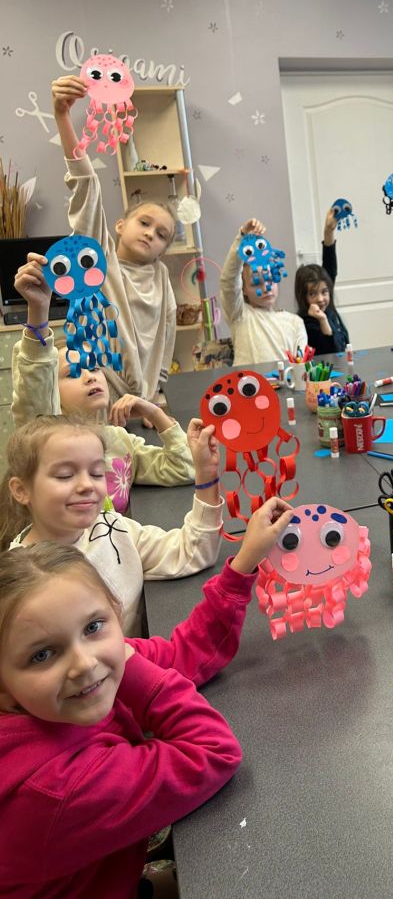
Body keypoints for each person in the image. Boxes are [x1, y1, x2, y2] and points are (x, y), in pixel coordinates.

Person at [0, 496, 295, 898]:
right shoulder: (58, 790)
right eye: (42, 655)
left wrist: (245, 562)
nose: (84, 664)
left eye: (93, 626)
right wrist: (130, 664)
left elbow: (184, 654)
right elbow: (213, 752)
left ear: (115, 611)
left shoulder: (68, 683)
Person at [0, 414, 224, 633]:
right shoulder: (19, 581)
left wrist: (206, 474)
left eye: (97, 473)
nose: (87, 485)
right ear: (21, 490)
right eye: (65, 475)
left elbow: (191, 551)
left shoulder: (112, 527)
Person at [11, 252, 193, 513]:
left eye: (94, 367)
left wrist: (155, 412)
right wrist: (39, 310)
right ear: (52, 391)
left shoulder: (119, 441)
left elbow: (185, 467)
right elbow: (35, 386)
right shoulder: (46, 441)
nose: (90, 376)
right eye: (73, 373)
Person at [51, 75, 178, 408]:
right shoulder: (99, 259)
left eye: (161, 235)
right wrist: (62, 115)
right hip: (100, 396)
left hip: (144, 402)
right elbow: (86, 187)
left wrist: (157, 392)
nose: (150, 233)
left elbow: (168, 332)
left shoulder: (161, 276)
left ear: (164, 250)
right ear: (120, 225)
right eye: (144, 223)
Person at [220, 217, 307, 367]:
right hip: (249, 382)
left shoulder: (295, 322)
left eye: (270, 280)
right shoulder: (239, 314)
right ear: (244, 290)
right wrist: (242, 237)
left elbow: (301, 366)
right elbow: (229, 280)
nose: (266, 288)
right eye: (256, 283)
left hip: (285, 381)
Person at [295, 207, 350, 355]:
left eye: (324, 292)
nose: (320, 299)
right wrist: (323, 320)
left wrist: (328, 231)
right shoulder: (307, 323)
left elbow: (330, 266)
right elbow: (332, 354)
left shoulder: (327, 308)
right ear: (303, 296)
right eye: (312, 294)